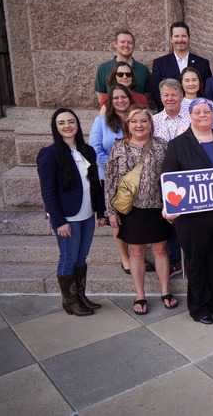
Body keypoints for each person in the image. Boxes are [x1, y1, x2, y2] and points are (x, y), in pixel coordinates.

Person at [163, 98, 213, 325]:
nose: (202, 115)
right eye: (197, 112)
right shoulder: (178, 145)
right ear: (190, 116)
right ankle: (198, 307)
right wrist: (168, 206)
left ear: (212, 115)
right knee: (197, 263)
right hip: (192, 219)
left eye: (206, 111)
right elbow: (167, 178)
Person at [104, 107, 178, 315]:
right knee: (136, 252)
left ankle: (165, 291)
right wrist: (111, 211)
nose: (139, 125)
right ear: (128, 124)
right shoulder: (118, 147)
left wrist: (174, 205)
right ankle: (140, 295)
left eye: (144, 121)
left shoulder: (162, 145)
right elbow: (110, 180)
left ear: (150, 124)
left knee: (160, 250)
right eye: (134, 121)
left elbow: (173, 174)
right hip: (131, 209)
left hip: (157, 207)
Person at [38, 109, 107, 316]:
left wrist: (101, 211)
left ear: (77, 124)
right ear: (55, 127)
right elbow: (48, 192)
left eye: (71, 121)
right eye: (61, 123)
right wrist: (58, 222)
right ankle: (69, 301)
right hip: (68, 217)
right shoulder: (49, 154)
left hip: (87, 214)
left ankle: (80, 296)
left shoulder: (87, 150)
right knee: (68, 257)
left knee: (82, 256)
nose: (67, 126)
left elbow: (95, 184)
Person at [89, 84, 137, 274]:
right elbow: (94, 149)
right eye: (116, 98)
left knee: (134, 218)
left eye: (123, 97)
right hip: (110, 178)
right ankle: (125, 258)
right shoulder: (101, 122)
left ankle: (136, 255)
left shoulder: (137, 119)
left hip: (136, 178)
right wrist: (116, 169)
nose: (120, 101)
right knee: (117, 220)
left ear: (129, 98)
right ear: (110, 101)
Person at [152, 78, 194, 278]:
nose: (170, 99)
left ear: (182, 96)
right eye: (166, 95)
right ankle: (174, 261)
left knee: (186, 224)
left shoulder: (191, 119)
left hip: (187, 179)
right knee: (167, 221)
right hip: (161, 179)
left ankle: (188, 260)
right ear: (161, 97)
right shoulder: (153, 121)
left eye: (174, 95)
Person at [151, 21, 212, 111]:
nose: (180, 40)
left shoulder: (202, 63)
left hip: (197, 112)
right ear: (171, 39)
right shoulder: (160, 63)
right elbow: (155, 91)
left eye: (183, 36)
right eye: (176, 36)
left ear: (189, 38)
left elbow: (207, 90)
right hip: (169, 114)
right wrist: (171, 109)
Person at [94, 30, 151, 104]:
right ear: (115, 44)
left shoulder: (143, 69)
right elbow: (101, 96)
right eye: (122, 42)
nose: (126, 45)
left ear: (133, 46)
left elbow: (147, 95)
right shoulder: (103, 68)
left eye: (130, 43)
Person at [180, 67, 213, 131]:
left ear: (199, 82)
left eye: (194, 80)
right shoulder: (177, 104)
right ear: (181, 83)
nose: (191, 84)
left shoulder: (209, 103)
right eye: (187, 81)